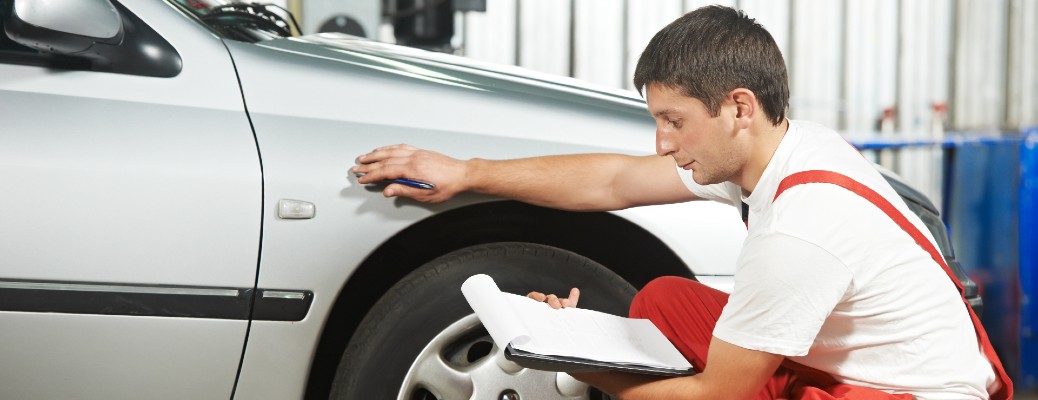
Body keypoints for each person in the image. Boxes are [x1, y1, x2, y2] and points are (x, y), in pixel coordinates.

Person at [352, 6, 1010, 400]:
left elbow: (716, 395)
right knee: (664, 302)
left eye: (673, 120)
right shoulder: (779, 147)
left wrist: (576, 364)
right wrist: (467, 172)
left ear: (738, 108)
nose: (662, 144)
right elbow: (613, 181)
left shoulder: (798, 231)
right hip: (874, 358)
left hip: (913, 393)